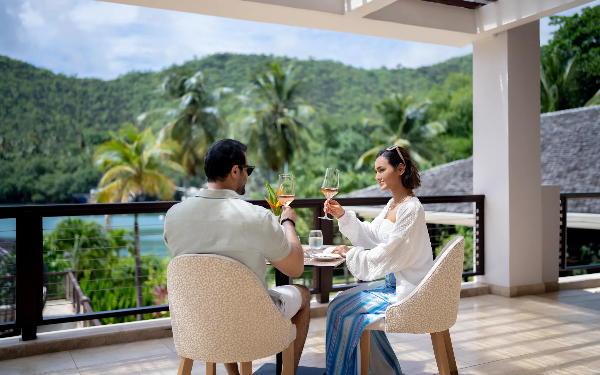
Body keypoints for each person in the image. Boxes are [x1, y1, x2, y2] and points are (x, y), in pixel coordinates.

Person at [163, 139, 310, 375]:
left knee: (219, 301)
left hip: (198, 326)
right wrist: (288, 223)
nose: (248, 176)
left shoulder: (174, 216)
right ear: (234, 171)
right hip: (252, 328)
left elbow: (200, 266)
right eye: (248, 170)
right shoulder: (257, 217)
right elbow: (295, 268)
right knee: (303, 293)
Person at [323, 146, 434, 375]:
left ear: (400, 168)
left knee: (340, 309)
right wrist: (342, 215)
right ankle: (381, 371)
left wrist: (349, 253)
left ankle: (346, 372)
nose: (377, 176)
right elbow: (372, 236)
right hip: (391, 286)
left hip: (409, 293)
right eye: (376, 171)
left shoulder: (411, 209)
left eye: (381, 170)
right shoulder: (392, 205)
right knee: (338, 304)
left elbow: (390, 253)